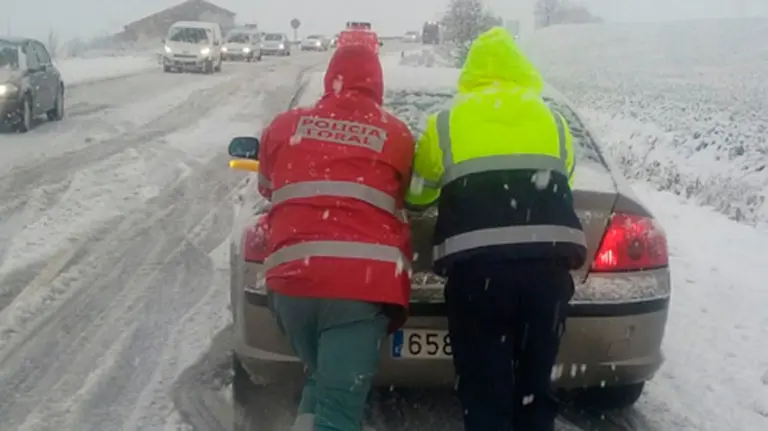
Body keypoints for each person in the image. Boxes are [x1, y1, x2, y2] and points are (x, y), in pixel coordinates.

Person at [405, 27, 587, 431]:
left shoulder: (446, 122)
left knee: (485, 389)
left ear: (470, 72)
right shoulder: (553, 121)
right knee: (535, 387)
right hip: (547, 275)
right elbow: (565, 179)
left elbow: (417, 195)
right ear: (522, 69)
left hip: (479, 276)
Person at [256, 43, 415, 431]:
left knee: (321, 380)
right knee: (339, 411)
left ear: (331, 78)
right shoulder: (396, 134)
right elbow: (407, 196)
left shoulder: (284, 125)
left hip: (291, 283)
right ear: (377, 84)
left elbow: (266, 186)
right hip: (358, 290)